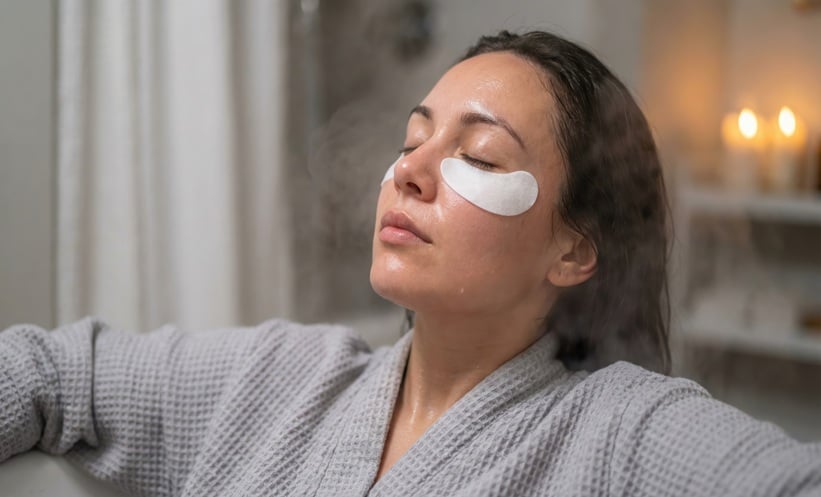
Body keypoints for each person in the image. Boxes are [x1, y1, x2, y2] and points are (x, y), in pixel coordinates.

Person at [1, 30, 819, 497]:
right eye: (411, 139)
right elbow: (50, 370)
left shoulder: (617, 436)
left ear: (573, 249)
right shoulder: (278, 378)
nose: (407, 172)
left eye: (480, 157)